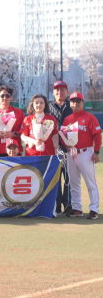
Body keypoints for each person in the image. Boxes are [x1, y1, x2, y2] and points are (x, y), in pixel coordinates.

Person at [62, 92, 101, 220]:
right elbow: (63, 136)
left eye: (78, 101)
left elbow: (97, 135)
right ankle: (77, 208)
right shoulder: (68, 119)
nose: (75, 103)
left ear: (83, 103)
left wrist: (96, 152)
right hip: (72, 153)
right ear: (70, 103)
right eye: (73, 101)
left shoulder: (90, 117)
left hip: (86, 152)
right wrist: (65, 145)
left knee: (90, 182)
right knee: (73, 182)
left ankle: (94, 209)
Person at [49, 80, 73, 215]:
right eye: (57, 90)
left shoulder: (72, 105)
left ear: (67, 91)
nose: (60, 92)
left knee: (69, 176)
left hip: (69, 146)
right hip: (55, 147)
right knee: (56, 176)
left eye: (62, 89)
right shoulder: (49, 107)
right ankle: (57, 203)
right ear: (53, 92)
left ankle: (68, 204)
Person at [0, 85, 25, 157]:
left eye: (7, 96)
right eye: (2, 95)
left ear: (11, 97)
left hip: (15, 151)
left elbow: (24, 132)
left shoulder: (19, 113)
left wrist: (14, 134)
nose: (4, 98)